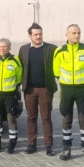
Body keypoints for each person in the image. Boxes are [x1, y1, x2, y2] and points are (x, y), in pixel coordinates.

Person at [53, 24, 84, 162]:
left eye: (78, 33)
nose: (76, 35)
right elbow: (56, 71)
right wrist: (65, 83)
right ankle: (67, 147)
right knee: (67, 117)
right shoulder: (59, 51)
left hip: (82, 89)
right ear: (67, 34)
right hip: (66, 89)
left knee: (83, 117)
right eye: (73, 33)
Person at [19, 23, 57, 156]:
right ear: (30, 36)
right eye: (35, 34)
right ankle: (31, 144)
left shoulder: (51, 49)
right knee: (31, 117)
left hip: (45, 89)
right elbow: (20, 68)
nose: (38, 36)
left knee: (46, 118)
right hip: (29, 90)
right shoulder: (23, 50)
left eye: (40, 34)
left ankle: (49, 145)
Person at [0, 38, 23, 154]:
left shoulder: (15, 60)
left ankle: (12, 143)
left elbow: (19, 76)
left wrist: (12, 86)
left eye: (5, 46)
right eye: (0, 46)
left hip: (10, 95)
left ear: (9, 48)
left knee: (11, 119)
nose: (2, 48)